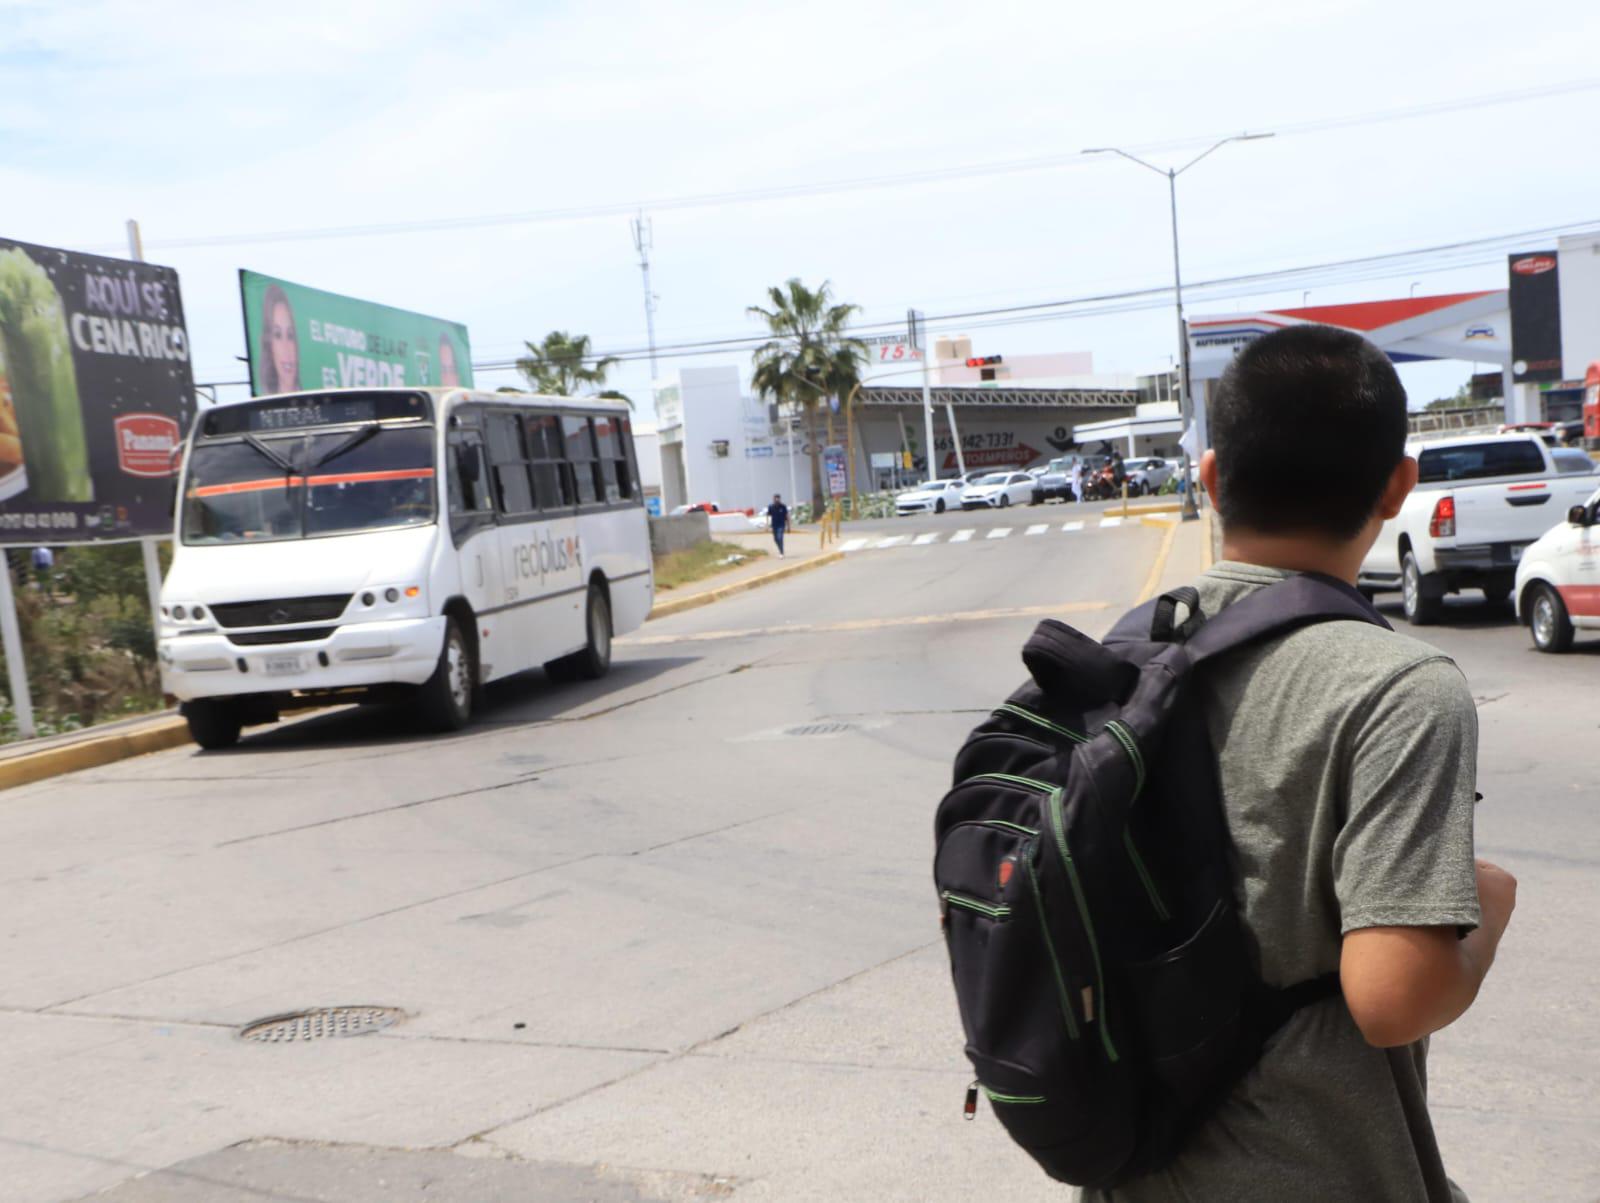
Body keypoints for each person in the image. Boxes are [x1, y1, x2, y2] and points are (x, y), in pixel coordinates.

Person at [1086, 324, 1515, 1203]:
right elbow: (1392, 995)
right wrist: (1489, 913)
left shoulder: (1112, 663)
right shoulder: (1398, 687)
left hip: (1129, 1170)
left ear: (1209, 480)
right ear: (1400, 485)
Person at [259, 285, 300, 395]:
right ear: (269, 345)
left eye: (290, 335)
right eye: (277, 335)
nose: (286, 348)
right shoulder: (263, 405)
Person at [765, 493, 789, 558]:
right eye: (775, 498)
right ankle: (780, 549)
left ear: (779, 499)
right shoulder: (771, 507)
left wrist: (788, 527)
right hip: (774, 525)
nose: (777, 500)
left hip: (781, 525)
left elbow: (787, 516)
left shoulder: (783, 507)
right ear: (773, 499)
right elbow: (768, 515)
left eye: (778, 498)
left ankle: (781, 552)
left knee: (780, 537)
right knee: (775, 539)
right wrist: (767, 526)